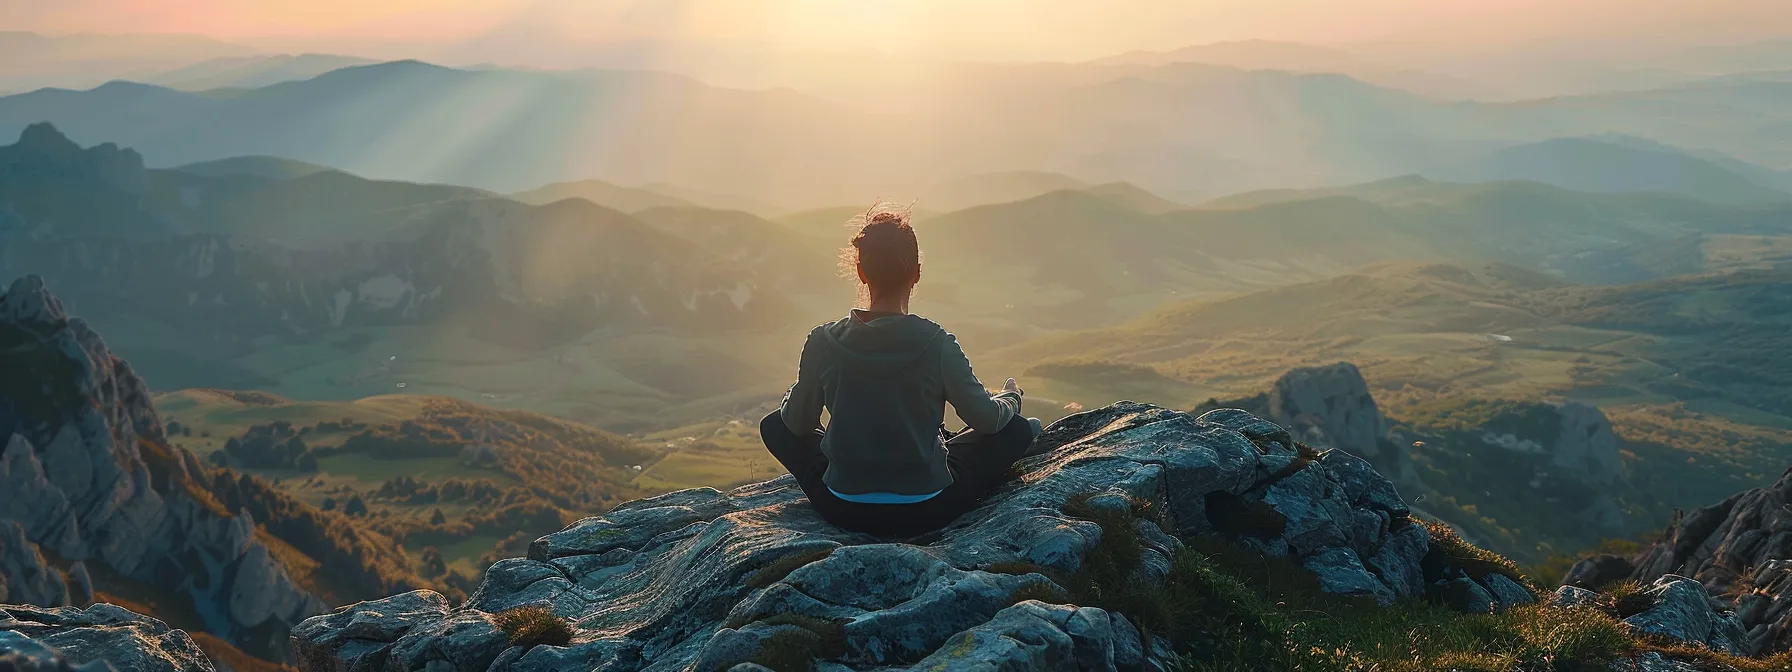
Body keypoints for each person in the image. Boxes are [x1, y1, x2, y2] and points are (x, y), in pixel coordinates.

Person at [759, 206, 1043, 537]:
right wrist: (1011, 396)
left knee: (773, 425)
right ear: (917, 272)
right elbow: (989, 419)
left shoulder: (823, 341)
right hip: (927, 509)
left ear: (861, 271)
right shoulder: (937, 343)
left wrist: (790, 397)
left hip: (842, 506)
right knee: (1018, 429)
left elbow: (796, 423)